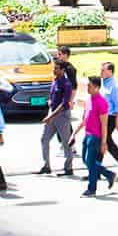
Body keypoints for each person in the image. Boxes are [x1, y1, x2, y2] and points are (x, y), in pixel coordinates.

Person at [39, 47, 79, 178]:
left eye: (56, 68)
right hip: (52, 113)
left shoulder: (66, 84)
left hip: (61, 116)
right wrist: (50, 101)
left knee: (66, 142)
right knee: (44, 139)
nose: (54, 70)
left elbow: (64, 104)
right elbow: (53, 96)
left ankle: (68, 167)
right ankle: (46, 166)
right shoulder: (55, 81)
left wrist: (50, 116)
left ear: (62, 70)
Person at [79, 72, 115, 195]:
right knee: (86, 160)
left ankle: (92, 188)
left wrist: (104, 142)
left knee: (90, 161)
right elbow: (84, 119)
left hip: (95, 136)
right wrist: (74, 134)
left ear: (97, 88)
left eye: (90, 86)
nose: (87, 88)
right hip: (87, 134)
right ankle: (108, 174)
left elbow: (104, 124)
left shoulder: (102, 102)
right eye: (87, 85)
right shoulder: (88, 100)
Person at [97, 62, 118, 177]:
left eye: (103, 70)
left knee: (103, 141)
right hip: (102, 116)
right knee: (106, 142)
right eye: (101, 70)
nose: (101, 72)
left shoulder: (115, 86)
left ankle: (96, 170)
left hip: (110, 117)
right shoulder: (103, 83)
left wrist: (117, 122)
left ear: (110, 72)